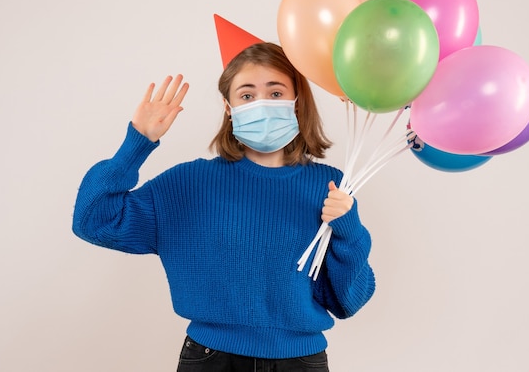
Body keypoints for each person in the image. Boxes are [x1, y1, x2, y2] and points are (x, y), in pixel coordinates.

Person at [72, 42, 376, 371]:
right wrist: (137, 142)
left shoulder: (330, 187)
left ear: (297, 101)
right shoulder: (188, 183)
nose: (262, 103)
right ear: (229, 107)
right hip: (211, 360)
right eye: (247, 95)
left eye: (275, 93)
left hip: (301, 362)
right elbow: (93, 220)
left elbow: (350, 300)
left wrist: (349, 230)